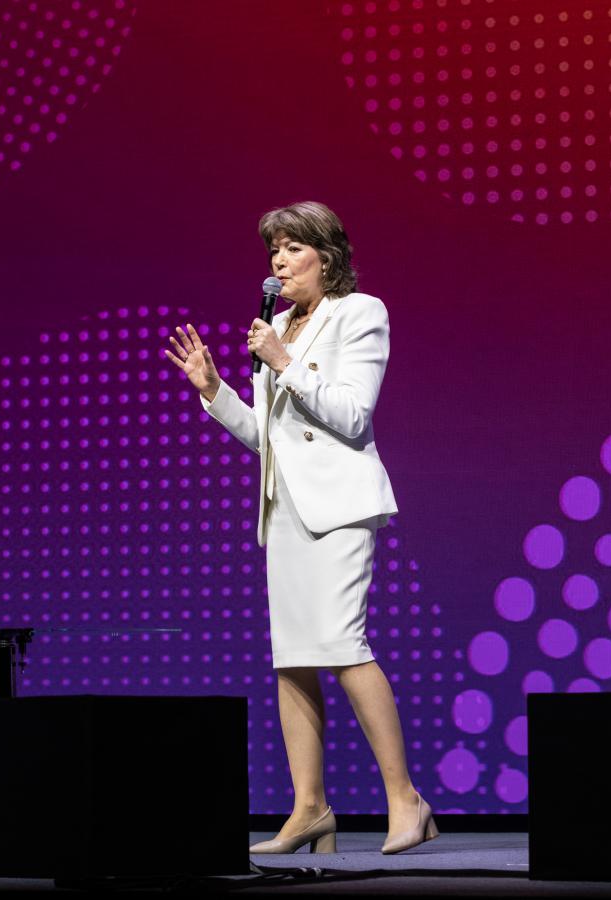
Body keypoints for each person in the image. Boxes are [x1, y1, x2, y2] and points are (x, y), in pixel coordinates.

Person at [164, 201, 436, 856]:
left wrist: (285, 361)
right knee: (293, 660)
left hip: (339, 507)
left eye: (293, 249)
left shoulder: (359, 313)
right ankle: (310, 809)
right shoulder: (278, 326)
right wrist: (214, 391)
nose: (279, 263)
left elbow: (353, 414)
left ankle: (406, 800)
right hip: (284, 510)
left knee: (342, 644)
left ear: (327, 256)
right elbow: (268, 438)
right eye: (274, 251)